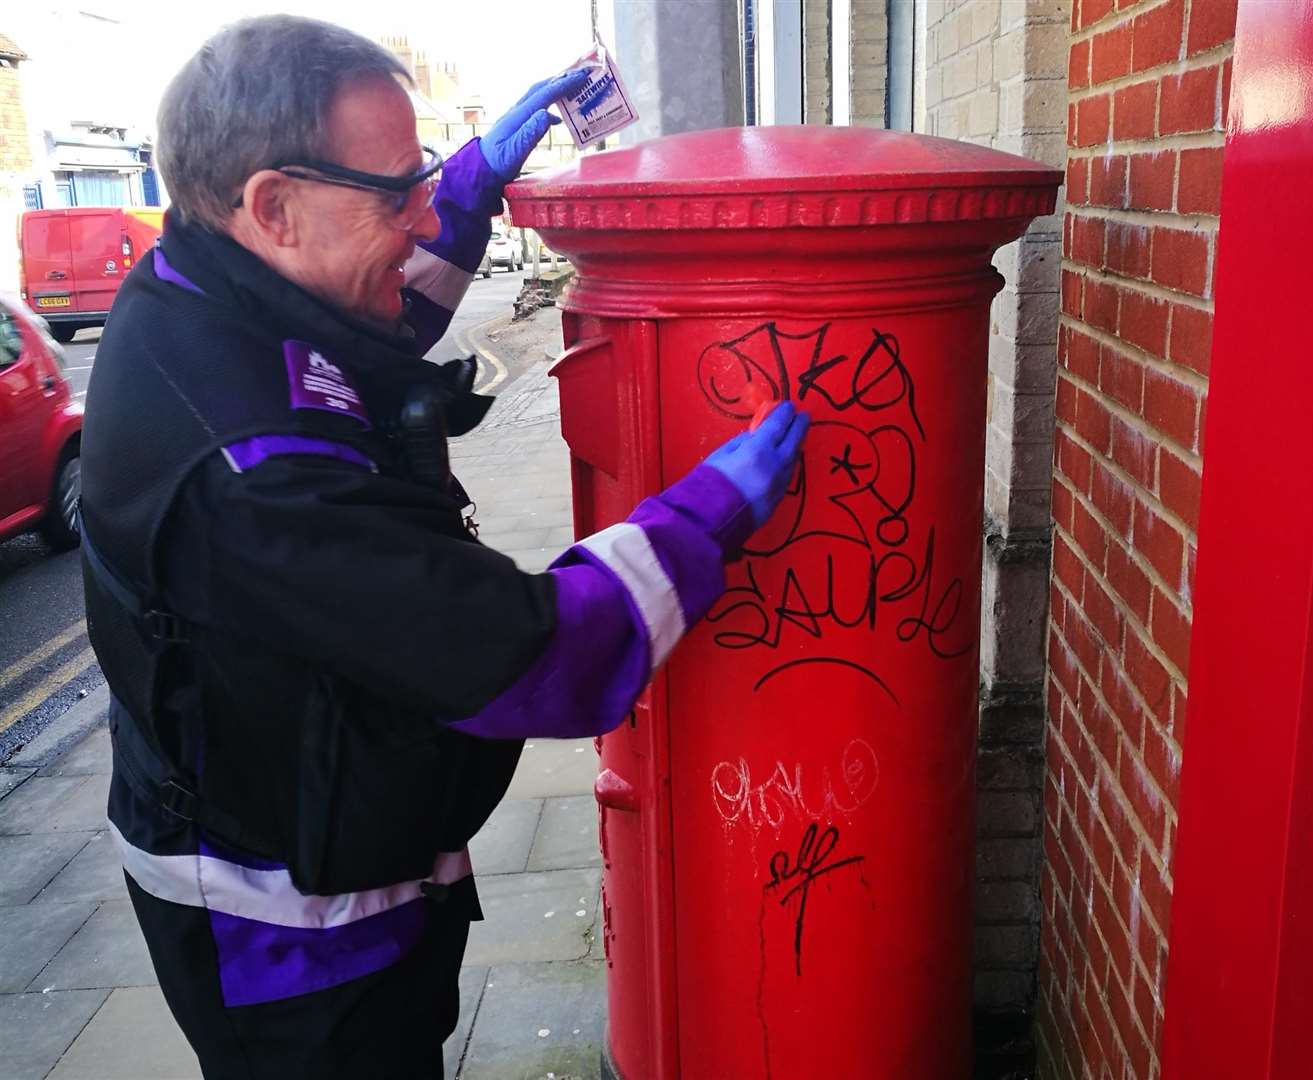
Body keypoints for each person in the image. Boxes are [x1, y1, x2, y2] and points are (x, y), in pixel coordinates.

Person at [79, 14, 809, 1079]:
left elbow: (367, 325)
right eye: (395, 192)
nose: (420, 219)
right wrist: (703, 518)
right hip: (290, 931)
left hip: (340, 815)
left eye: (421, 180)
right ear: (273, 205)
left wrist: (469, 181)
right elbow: (532, 659)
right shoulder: (256, 478)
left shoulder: (218, 288)